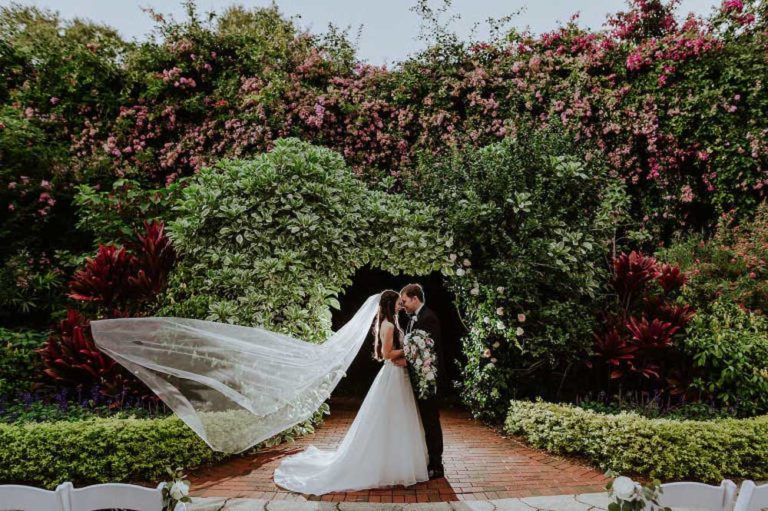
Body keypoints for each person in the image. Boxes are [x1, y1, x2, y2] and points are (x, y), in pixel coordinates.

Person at [272, 290, 430, 494]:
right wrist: (411, 349)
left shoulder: (391, 323)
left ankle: (394, 461)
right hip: (393, 376)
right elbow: (387, 353)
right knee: (391, 417)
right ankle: (388, 464)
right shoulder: (389, 325)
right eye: (399, 303)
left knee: (397, 418)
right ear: (391, 305)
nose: (401, 305)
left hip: (398, 376)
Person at [396, 283, 445, 479]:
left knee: (431, 421)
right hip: (417, 379)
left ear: (415, 298)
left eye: (405, 301)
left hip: (429, 379)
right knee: (423, 420)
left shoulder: (429, 318)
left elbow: (428, 352)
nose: (404, 305)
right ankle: (425, 459)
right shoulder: (411, 320)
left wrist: (406, 361)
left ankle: (436, 463)